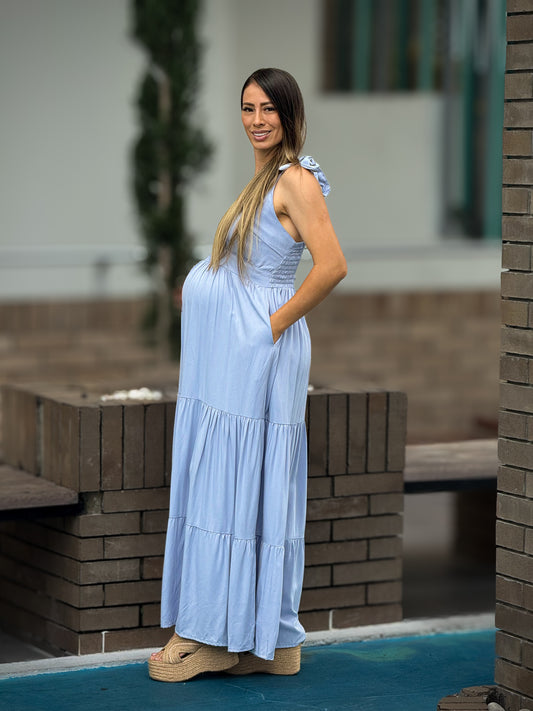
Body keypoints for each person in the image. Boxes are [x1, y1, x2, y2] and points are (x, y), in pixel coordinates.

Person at [148, 67, 347, 683]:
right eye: (247, 108)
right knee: (238, 481)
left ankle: (220, 635)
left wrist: (270, 324)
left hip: (258, 351)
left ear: (289, 114)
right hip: (232, 356)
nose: (257, 120)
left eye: (268, 108)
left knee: (235, 481)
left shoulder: (295, 180)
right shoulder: (265, 179)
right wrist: (206, 290)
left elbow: (332, 266)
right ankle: (261, 639)